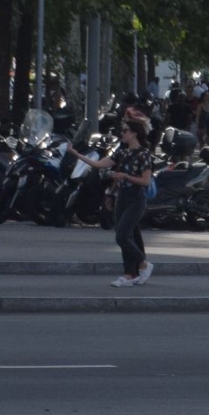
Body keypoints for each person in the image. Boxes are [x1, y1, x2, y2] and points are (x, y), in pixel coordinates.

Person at [85, 111, 159, 286]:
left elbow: (145, 181)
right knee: (130, 236)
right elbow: (99, 164)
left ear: (134, 133)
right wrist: (76, 154)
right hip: (122, 197)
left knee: (122, 236)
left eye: (125, 130)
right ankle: (129, 274)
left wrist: (125, 177)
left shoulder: (143, 155)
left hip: (136, 198)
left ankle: (144, 264)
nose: (122, 133)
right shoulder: (122, 153)